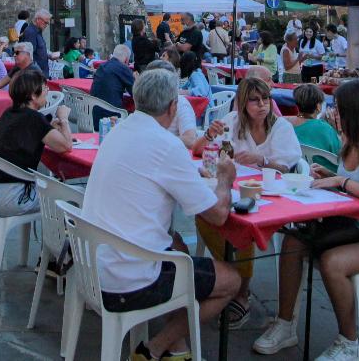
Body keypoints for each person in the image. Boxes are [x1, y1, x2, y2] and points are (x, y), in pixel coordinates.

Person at [82, 69, 240, 361]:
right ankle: (155, 348)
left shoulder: (119, 130)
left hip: (92, 265)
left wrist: (191, 173)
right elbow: (217, 215)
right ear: (172, 107)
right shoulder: (166, 144)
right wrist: (224, 180)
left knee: (178, 243)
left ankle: (175, 348)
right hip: (127, 279)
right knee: (231, 280)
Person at [253, 79, 359, 359]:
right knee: (291, 241)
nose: (334, 113)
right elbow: (352, 185)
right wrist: (329, 178)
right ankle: (285, 324)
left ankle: (350, 341)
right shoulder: (350, 140)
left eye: (339, 108)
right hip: (352, 225)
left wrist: (340, 181)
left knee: (332, 262)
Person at [198, 75, 302, 328]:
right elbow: (202, 149)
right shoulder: (232, 122)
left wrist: (261, 160)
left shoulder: (281, 128)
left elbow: (289, 167)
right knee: (203, 213)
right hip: (238, 188)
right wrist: (208, 136)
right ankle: (232, 277)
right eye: (255, 100)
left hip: (275, 194)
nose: (262, 105)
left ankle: (240, 292)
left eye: (265, 99)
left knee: (240, 222)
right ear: (243, 104)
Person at [0, 68, 73, 214]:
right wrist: (64, 118)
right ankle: (61, 236)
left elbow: (29, 133)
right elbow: (66, 146)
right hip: (16, 197)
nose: (47, 91)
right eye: (44, 88)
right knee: (73, 197)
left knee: (57, 188)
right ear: (33, 95)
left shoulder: (9, 113)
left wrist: (48, 129)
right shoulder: (34, 119)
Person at [145, 59, 225, 152]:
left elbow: (190, 140)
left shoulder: (180, 103)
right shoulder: (145, 102)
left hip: (172, 154)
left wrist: (157, 140)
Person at [291, 83, 341, 172]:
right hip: (326, 177)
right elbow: (340, 156)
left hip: (297, 173)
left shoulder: (288, 124)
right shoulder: (326, 128)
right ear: (318, 106)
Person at [90, 43, 135, 128]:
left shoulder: (101, 66)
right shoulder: (123, 68)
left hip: (94, 115)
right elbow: (136, 92)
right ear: (126, 60)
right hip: (112, 117)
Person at [27, 9, 52, 76]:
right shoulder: (31, 32)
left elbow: (38, 52)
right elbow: (29, 56)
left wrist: (49, 55)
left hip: (41, 72)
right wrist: (39, 72)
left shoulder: (37, 31)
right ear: (38, 20)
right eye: (46, 22)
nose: (47, 25)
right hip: (37, 74)